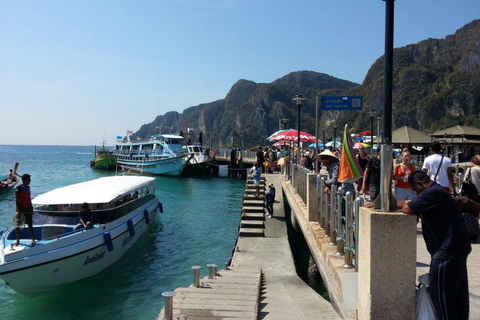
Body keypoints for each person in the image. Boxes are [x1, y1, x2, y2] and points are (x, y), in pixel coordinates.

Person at [398, 171, 471, 320]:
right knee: (457, 293)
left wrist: (389, 201)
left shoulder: (433, 193)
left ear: (419, 183)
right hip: (455, 247)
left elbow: (407, 208)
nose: (416, 194)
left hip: (447, 251)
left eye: (415, 189)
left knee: (441, 295)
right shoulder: (438, 191)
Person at [14, 174, 35, 247]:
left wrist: (31, 207)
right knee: (17, 225)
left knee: (30, 224)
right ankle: (17, 241)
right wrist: (18, 210)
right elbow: (16, 200)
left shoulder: (28, 188)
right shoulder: (18, 188)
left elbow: (29, 198)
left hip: (28, 207)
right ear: (26, 180)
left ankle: (33, 239)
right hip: (21, 209)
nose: (30, 181)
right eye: (29, 180)